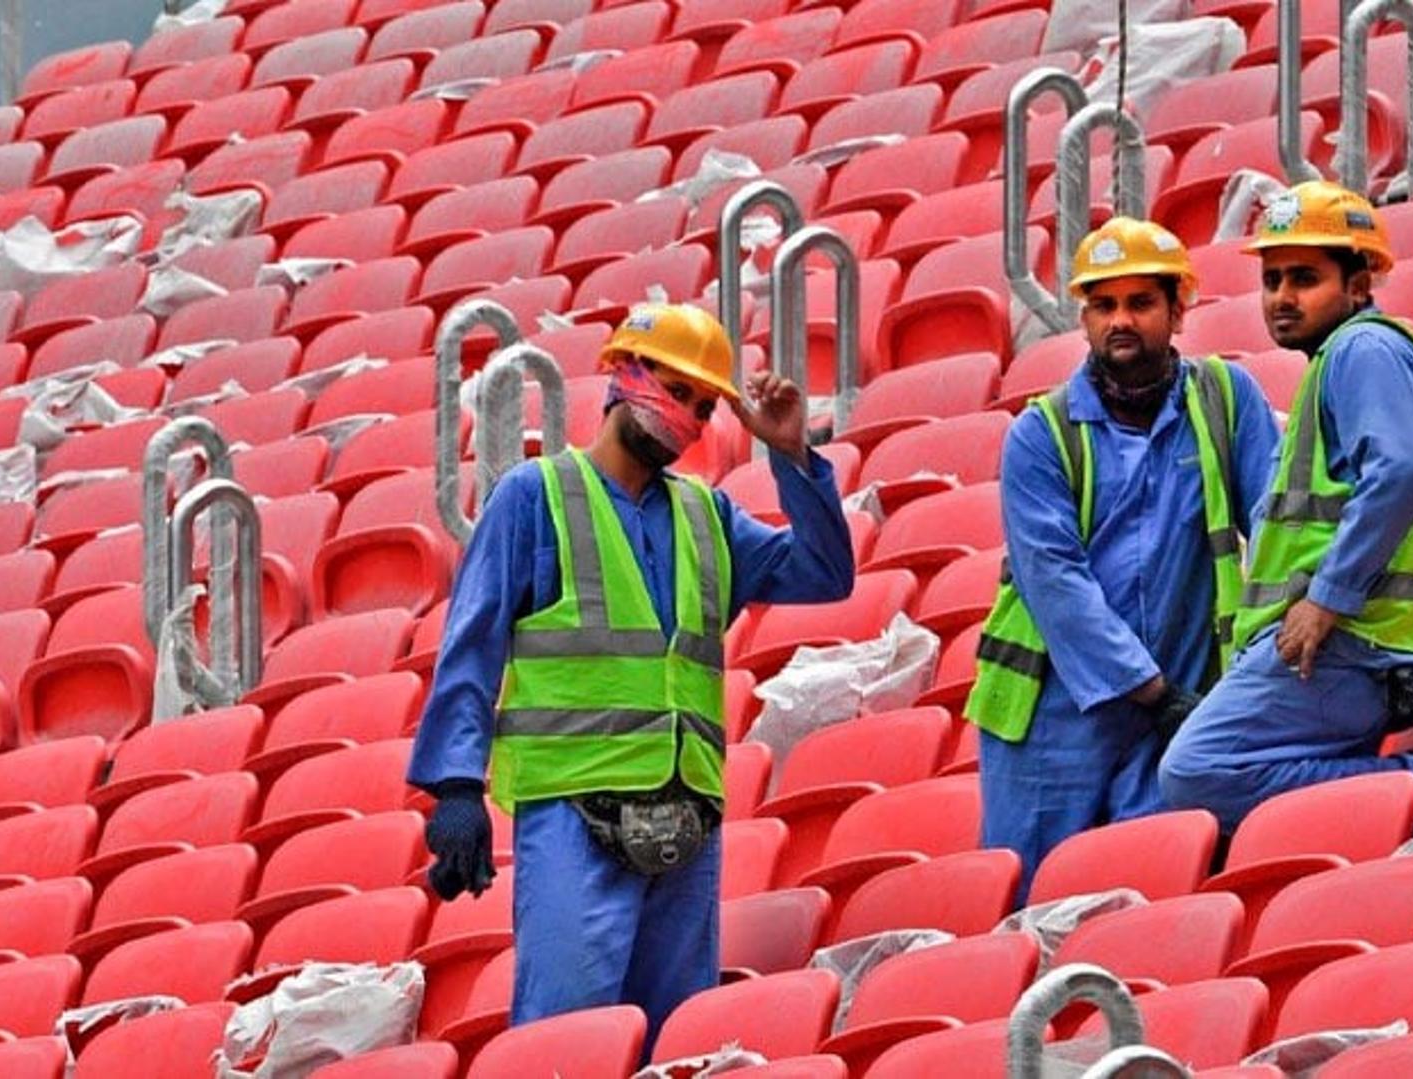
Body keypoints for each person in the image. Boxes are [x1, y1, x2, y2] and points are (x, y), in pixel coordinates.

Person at [406, 302, 856, 1053]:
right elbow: (471, 643)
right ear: (621, 372)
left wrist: (792, 458)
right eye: (675, 391)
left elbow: (825, 571)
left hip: (688, 820)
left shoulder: (708, 516)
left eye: (703, 405)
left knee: (677, 1048)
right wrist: (456, 785)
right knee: (566, 1043)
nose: (686, 415)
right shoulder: (535, 496)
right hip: (574, 818)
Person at [966, 217, 1280, 898]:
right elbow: (1058, 588)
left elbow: (1281, 527)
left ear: (1178, 308)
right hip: (1050, 719)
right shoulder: (1039, 435)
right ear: (1082, 317)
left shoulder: (1228, 401)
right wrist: (1157, 693)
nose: (1121, 321)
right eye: (1104, 305)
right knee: (1038, 900)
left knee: (1158, 889)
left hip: (1180, 697)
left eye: (1140, 302)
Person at [1159, 181, 1413, 831]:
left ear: (1359, 285)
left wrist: (1328, 596)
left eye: (1304, 278)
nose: (1281, 296)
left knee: (1196, 767)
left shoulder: (1365, 348)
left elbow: (1402, 468)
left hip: (1354, 638)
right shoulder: (1335, 362)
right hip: (1340, 641)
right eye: (1272, 279)